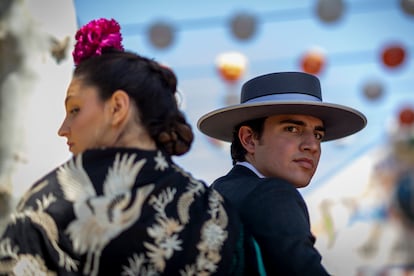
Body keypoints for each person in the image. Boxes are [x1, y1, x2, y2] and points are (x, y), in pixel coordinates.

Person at [0, 18, 242, 275]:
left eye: (75, 110)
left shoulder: (48, 203)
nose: (63, 129)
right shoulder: (212, 208)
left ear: (117, 108)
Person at [197, 71, 367, 275]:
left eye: (318, 134)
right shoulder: (273, 194)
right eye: (292, 129)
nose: (312, 145)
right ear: (249, 139)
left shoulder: (218, 191)